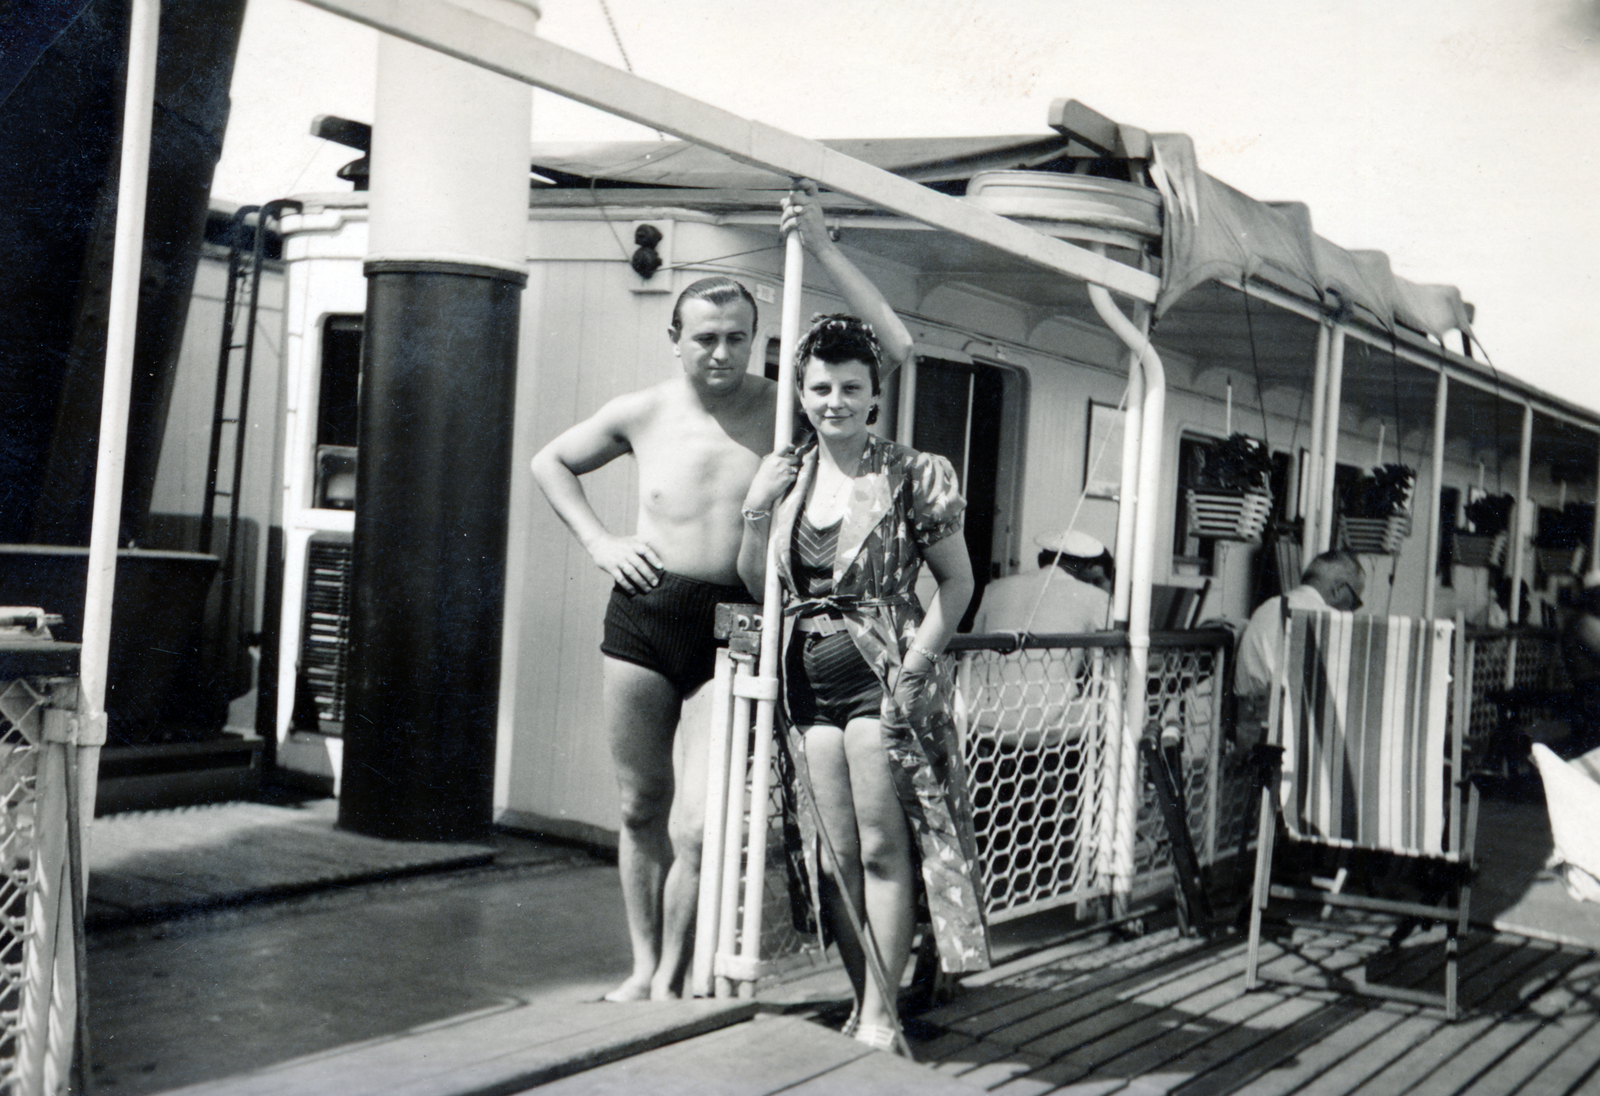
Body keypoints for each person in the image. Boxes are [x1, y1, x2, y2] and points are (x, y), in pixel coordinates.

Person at [738, 185, 989, 1053]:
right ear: (801, 393)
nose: (834, 401)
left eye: (850, 387)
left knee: (886, 852)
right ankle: (863, 998)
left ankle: (883, 1014)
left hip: (884, 680)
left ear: (873, 394)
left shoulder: (914, 472)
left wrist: (917, 668)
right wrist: (754, 510)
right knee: (833, 857)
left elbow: (958, 584)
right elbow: (756, 582)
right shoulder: (789, 473)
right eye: (819, 388)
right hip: (810, 685)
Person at [531, 273, 776, 1001]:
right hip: (645, 613)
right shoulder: (642, 411)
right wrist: (600, 542)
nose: (723, 353)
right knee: (641, 806)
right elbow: (552, 462)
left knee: (698, 825)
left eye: (738, 338)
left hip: (736, 621)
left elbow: (883, 364)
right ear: (675, 341)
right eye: (705, 338)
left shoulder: (785, 412)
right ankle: (644, 966)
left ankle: (675, 971)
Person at [1234, 550, 1365, 740]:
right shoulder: (1329, 620)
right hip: (1296, 735)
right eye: (1355, 602)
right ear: (1338, 589)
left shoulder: (1267, 607)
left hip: (1249, 731)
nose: (1352, 611)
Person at [970, 530, 1114, 634]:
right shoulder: (1096, 598)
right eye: (1093, 581)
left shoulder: (993, 588)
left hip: (984, 676)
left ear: (1040, 560)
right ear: (1088, 565)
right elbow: (1102, 662)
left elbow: (972, 646)